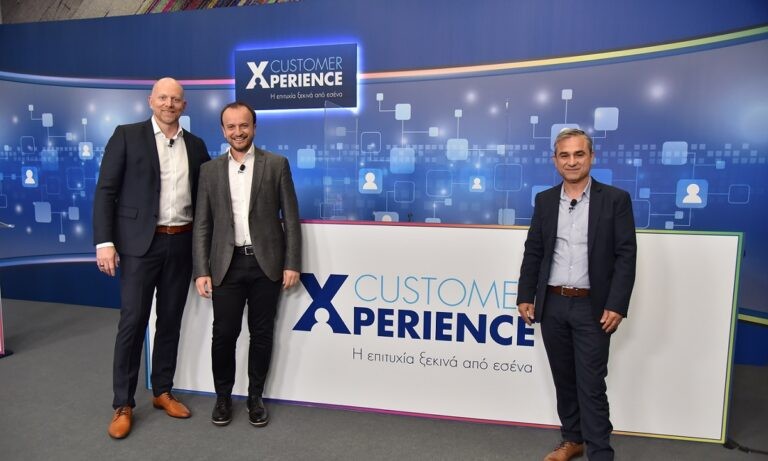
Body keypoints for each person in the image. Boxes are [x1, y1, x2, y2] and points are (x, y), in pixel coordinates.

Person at [93, 77, 210, 439]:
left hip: (181, 243)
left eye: (175, 99)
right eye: (163, 98)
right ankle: (123, 403)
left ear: (184, 106)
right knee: (133, 323)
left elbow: (207, 197)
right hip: (139, 246)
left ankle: (162, 390)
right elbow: (106, 191)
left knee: (170, 321)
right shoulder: (126, 136)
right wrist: (105, 243)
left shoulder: (196, 145)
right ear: (150, 101)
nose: (169, 104)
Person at [517, 128, 636, 461]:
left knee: (591, 384)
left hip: (592, 307)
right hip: (552, 303)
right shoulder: (544, 200)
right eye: (564, 155)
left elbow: (626, 255)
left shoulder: (615, 200)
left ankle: (600, 453)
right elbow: (534, 250)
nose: (572, 161)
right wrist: (526, 294)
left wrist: (617, 304)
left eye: (579, 154)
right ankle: (573, 439)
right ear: (555, 160)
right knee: (564, 379)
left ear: (591, 157)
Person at [192, 101, 301, 428]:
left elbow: (290, 219)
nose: (238, 132)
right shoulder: (209, 170)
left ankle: (255, 397)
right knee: (223, 335)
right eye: (231, 126)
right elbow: (202, 224)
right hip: (226, 265)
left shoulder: (276, 164)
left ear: (254, 127)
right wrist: (201, 270)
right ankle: (223, 397)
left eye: (244, 125)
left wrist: (292, 262)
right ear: (223, 130)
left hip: (266, 264)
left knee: (262, 333)